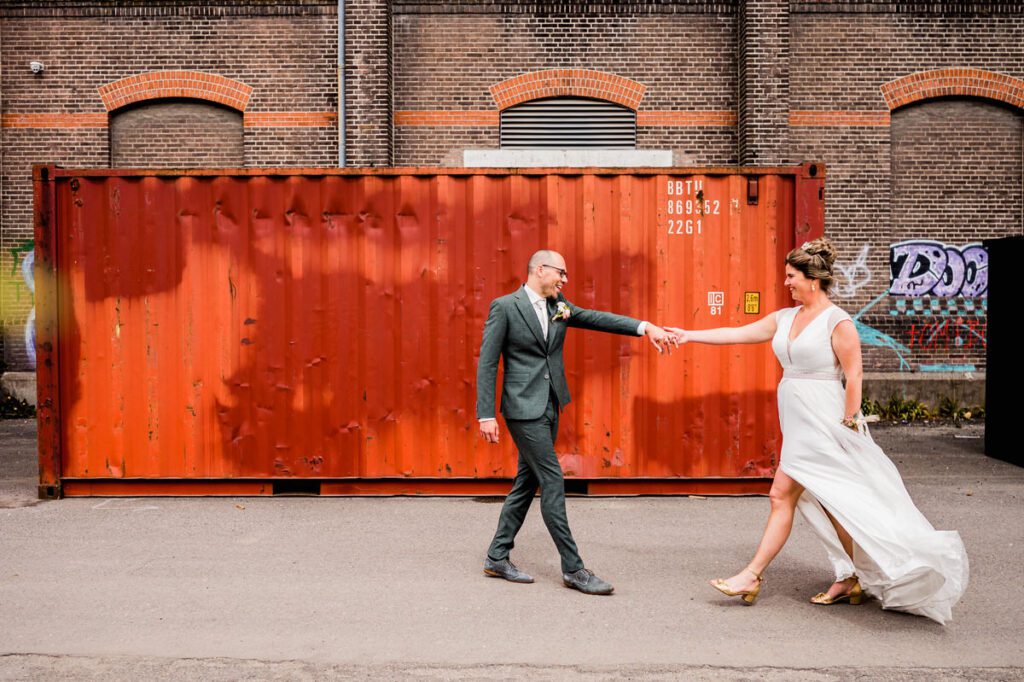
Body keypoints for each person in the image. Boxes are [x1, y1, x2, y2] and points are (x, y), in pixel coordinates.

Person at [666, 237, 968, 624]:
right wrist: (688, 335)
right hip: (796, 417)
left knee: (783, 495)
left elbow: (855, 373)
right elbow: (737, 333)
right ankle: (853, 575)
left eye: (791, 276)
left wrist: (848, 421)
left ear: (813, 279)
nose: (786, 283)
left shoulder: (837, 321)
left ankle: (752, 575)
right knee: (830, 503)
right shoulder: (785, 318)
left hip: (825, 419)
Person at [477, 249, 677, 595]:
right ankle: (573, 569)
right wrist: (485, 414)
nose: (564, 281)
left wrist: (645, 328)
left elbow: (597, 318)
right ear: (539, 269)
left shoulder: (559, 306)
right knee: (552, 480)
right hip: (522, 410)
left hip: (551, 405)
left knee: (527, 482)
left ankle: (497, 556)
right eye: (561, 274)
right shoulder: (505, 307)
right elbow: (488, 363)